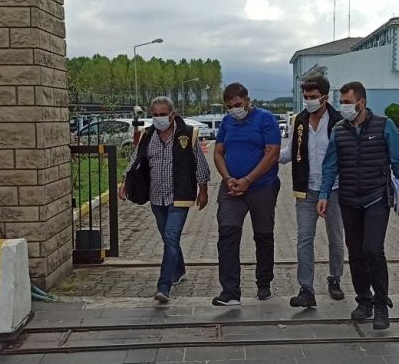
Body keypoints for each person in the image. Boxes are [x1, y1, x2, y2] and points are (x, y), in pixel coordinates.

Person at [317, 82, 399, 330]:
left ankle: (381, 305)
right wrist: (324, 194)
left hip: (376, 197)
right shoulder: (339, 130)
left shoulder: (384, 125)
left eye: (348, 102)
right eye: (342, 103)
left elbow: (397, 161)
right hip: (349, 199)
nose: (344, 107)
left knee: (373, 249)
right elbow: (330, 166)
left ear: (362, 102)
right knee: (356, 252)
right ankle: (364, 300)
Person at [119, 96, 210, 302]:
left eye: (162, 114)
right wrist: (125, 181)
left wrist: (203, 189)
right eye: (155, 115)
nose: (159, 118)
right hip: (156, 197)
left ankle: (164, 285)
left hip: (179, 196)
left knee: (170, 236)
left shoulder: (187, 134)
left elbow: (200, 164)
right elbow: (135, 159)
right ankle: (179, 269)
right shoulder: (148, 135)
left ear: (172, 114)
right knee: (169, 238)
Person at [279, 73, 345, 308]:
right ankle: (306, 288)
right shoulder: (299, 121)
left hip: (335, 189)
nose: (308, 101)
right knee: (304, 239)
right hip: (306, 190)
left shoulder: (338, 121)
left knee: (336, 239)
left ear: (325, 97)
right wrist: (268, 155)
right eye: (305, 97)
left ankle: (335, 278)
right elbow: (290, 152)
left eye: (313, 97)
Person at [212, 83, 281, 306]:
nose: (235, 109)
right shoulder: (227, 122)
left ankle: (264, 283)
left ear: (248, 100)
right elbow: (218, 152)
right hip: (231, 188)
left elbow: (272, 153)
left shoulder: (265, 119)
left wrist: (248, 180)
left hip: (262, 186)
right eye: (230, 106)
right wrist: (227, 178)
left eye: (238, 104)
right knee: (227, 233)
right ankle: (230, 291)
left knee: (263, 235)